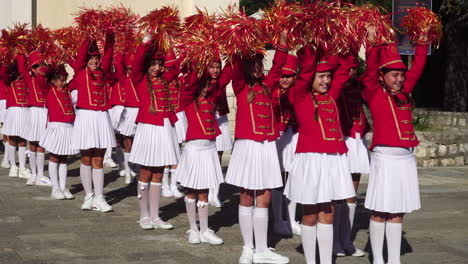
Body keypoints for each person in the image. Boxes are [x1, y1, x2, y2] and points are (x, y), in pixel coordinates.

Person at [363, 27, 430, 264]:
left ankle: (393, 260)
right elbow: (369, 72)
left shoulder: (404, 93)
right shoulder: (374, 93)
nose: (400, 79)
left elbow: (418, 69)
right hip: (385, 159)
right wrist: (371, 46)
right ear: (382, 76)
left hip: (405, 160)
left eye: (401, 75)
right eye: (394, 75)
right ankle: (378, 259)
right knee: (380, 211)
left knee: (397, 212)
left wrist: (422, 44)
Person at [285, 46, 356, 264]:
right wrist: (312, 47)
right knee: (310, 213)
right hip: (310, 160)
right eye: (321, 77)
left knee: (328, 212)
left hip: (332, 159)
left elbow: (344, 71)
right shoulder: (299, 95)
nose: (326, 81)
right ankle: (310, 261)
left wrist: (346, 41)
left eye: (328, 76)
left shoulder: (332, 95)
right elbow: (305, 72)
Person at [226, 31, 290, 264]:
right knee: (246, 196)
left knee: (264, 197)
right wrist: (238, 44)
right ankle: (247, 248)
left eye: (259, 63)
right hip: (247, 145)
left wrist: (282, 46)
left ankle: (262, 250)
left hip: (266, 146)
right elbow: (235, 67)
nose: (257, 67)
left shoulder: (267, 84)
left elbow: (278, 66)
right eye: (252, 63)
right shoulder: (241, 86)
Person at [129, 34, 179, 230]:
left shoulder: (165, 78)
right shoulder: (140, 78)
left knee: (159, 172)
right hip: (149, 127)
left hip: (164, 127)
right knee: (146, 171)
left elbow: (176, 68)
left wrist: (168, 44)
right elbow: (137, 63)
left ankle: (156, 216)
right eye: (154, 64)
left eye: (160, 64)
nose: (158, 68)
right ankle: (143, 216)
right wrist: (144, 44)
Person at [176, 58, 227, 245]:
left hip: (209, 148)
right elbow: (189, 83)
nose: (205, 87)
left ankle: (205, 229)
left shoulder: (213, 97)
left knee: (204, 190)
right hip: (194, 149)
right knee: (191, 190)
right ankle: (193, 228)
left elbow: (224, 77)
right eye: (202, 84)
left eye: (207, 84)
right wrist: (196, 55)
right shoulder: (189, 99)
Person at [70, 32, 116, 212]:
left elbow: (109, 55)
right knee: (86, 158)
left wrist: (110, 36)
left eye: (97, 58)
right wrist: (88, 34)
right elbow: (80, 56)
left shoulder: (103, 73)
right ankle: (88, 195)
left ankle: (99, 197)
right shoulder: (80, 72)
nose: (95, 61)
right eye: (92, 59)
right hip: (85, 117)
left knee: (99, 158)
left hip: (101, 117)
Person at [333, 53, 369, 257]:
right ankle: (336, 241)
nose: (352, 71)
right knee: (340, 193)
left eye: (354, 68)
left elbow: (372, 73)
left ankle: (347, 240)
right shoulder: (335, 88)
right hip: (343, 139)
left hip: (358, 140)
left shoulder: (359, 85)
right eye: (348, 68)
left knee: (352, 194)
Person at [271, 54, 300, 237]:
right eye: (282, 75)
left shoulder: (298, 92)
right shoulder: (271, 91)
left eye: (288, 76)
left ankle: (291, 218)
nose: (284, 79)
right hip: (277, 137)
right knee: (277, 179)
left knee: (293, 178)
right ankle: (277, 220)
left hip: (295, 135)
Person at [40, 64, 78, 199]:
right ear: (53, 81)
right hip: (56, 126)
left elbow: (78, 75)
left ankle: (63, 187)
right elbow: (41, 78)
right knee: (55, 156)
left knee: (64, 158)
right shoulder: (49, 90)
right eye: (61, 80)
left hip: (69, 126)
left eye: (64, 79)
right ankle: (55, 188)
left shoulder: (67, 90)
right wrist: (51, 62)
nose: (64, 82)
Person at [18, 51, 52, 186]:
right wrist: (20, 51)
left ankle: (40, 175)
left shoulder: (46, 79)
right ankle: (33, 174)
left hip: (44, 112)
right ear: (32, 68)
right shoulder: (28, 78)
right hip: (33, 112)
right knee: (32, 144)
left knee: (42, 145)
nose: (40, 68)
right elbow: (21, 67)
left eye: (41, 65)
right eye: (37, 66)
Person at [1, 60, 32, 179]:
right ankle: (13, 166)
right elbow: (3, 71)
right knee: (13, 139)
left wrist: (21, 53)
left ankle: (22, 168)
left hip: (24, 111)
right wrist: (6, 54)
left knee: (23, 140)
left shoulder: (26, 79)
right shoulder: (8, 80)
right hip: (13, 111)